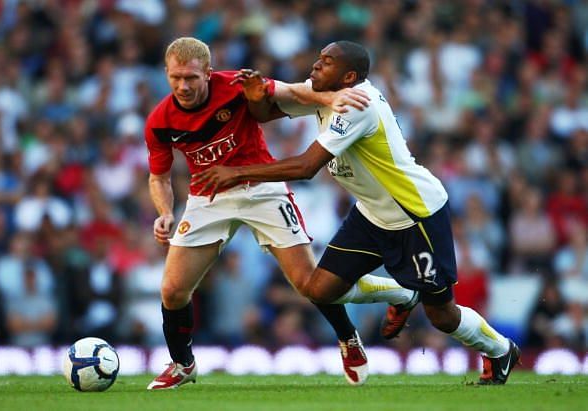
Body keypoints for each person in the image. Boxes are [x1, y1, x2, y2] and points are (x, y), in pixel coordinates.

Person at [193, 40, 521, 385]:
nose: (317, 66)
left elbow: (306, 167)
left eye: (327, 62)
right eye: (319, 58)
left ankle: (501, 350)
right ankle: (401, 293)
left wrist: (237, 172)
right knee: (319, 290)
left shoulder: (357, 105)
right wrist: (257, 95)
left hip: (415, 214)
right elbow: (264, 115)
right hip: (371, 213)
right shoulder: (321, 91)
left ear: (348, 76)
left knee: (441, 314)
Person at [144, 37, 418, 389]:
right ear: (166, 74)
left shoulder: (235, 84)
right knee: (172, 290)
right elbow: (159, 177)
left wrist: (329, 97)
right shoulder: (159, 120)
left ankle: (348, 337)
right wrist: (164, 211)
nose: (183, 86)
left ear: (208, 73)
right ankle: (183, 364)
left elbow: (293, 92)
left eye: (191, 78)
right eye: (176, 78)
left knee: (310, 284)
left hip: (263, 189)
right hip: (207, 196)